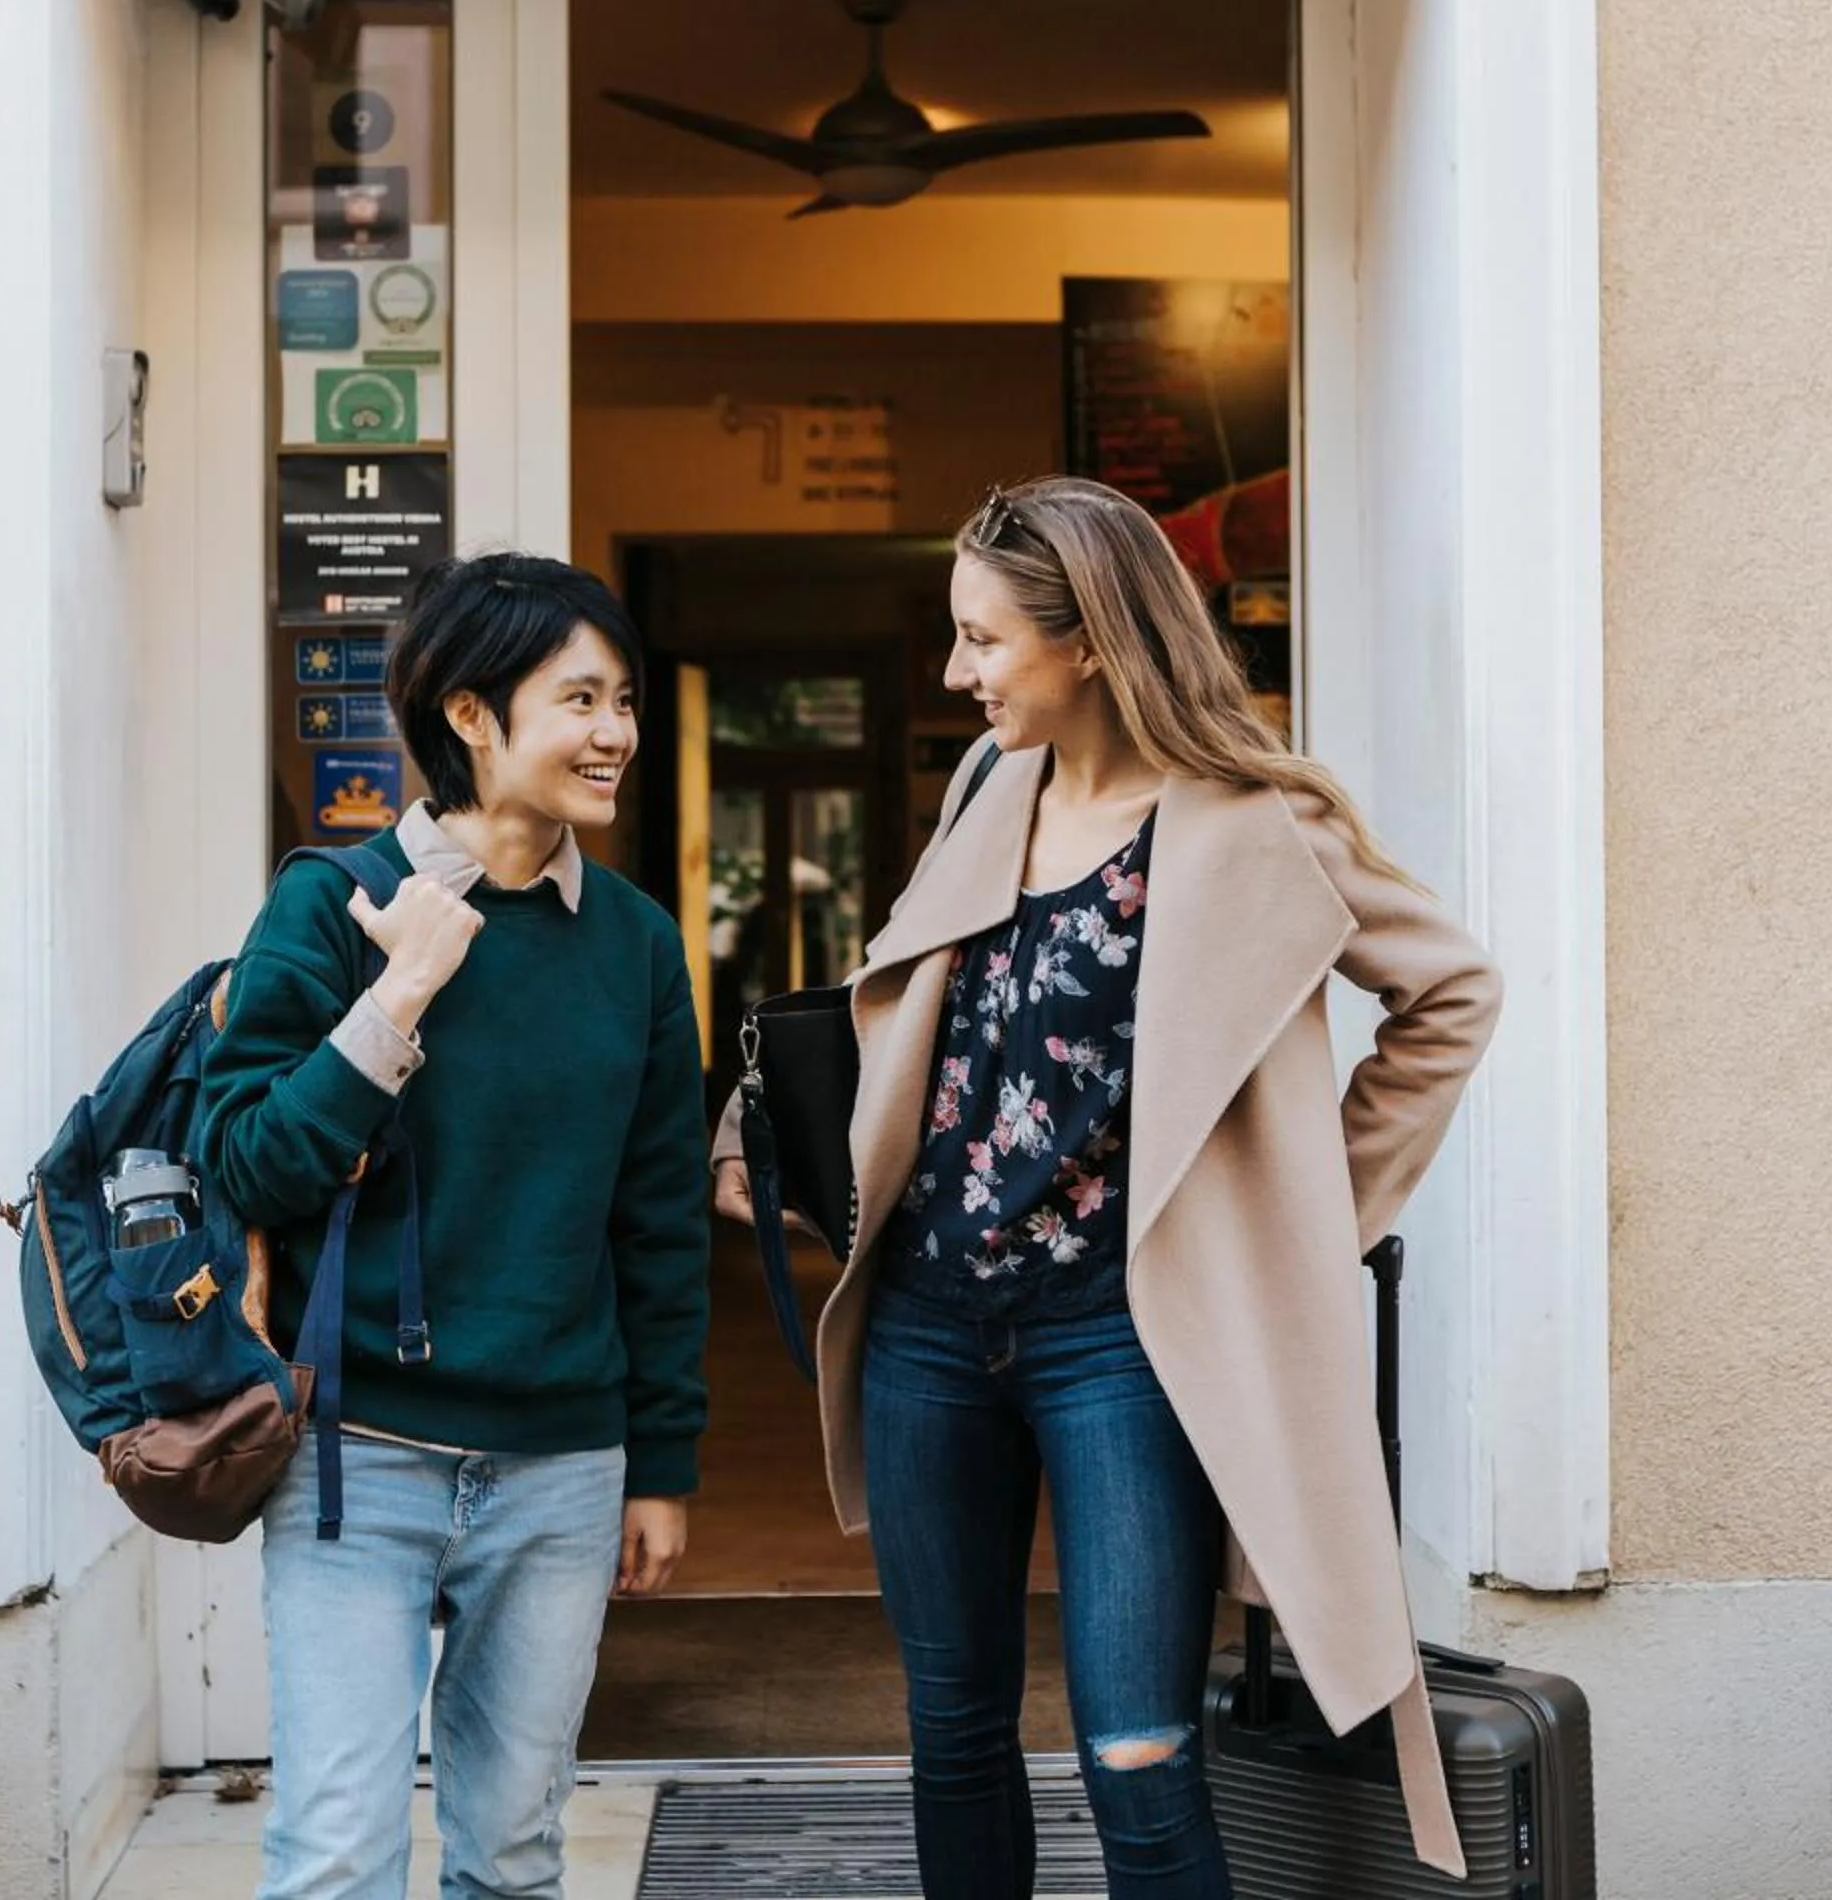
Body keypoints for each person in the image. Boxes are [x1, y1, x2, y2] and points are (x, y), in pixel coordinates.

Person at [715, 475, 1504, 1897]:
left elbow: (1449, 992)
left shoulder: (1252, 820)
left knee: (1137, 1753)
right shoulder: (984, 788)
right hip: (926, 1326)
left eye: (984, 642)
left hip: (1119, 1343)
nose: (957, 673)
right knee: (952, 1729)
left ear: (1089, 641)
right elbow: (901, 997)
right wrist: (756, 1127)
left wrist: (1313, 1218)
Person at [200, 553, 710, 1900]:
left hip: (559, 1470)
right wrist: (398, 997)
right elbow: (247, 1166)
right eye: (580, 700)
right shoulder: (332, 905)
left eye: (625, 701)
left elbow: (659, 1221)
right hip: (356, 1463)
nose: (615, 734)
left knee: (514, 1851)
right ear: (472, 717)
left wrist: (660, 1458)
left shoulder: (636, 947)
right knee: (335, 1851)